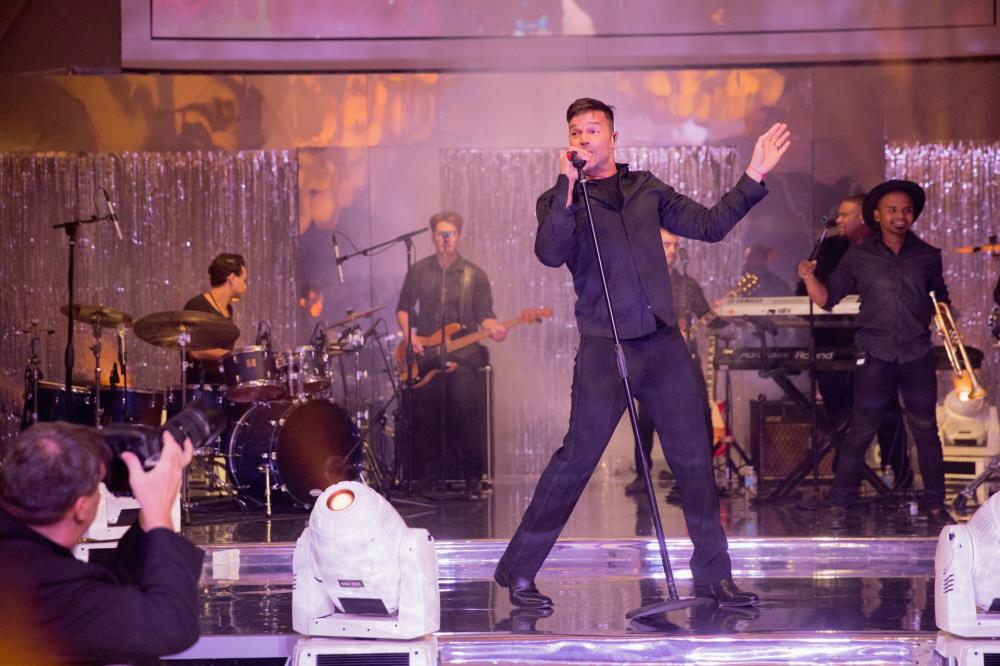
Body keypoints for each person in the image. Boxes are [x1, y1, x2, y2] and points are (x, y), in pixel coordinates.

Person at [494, 97, 790, 608]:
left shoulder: (647, 189)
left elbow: (710, 225)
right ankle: (518, 571)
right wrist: (568, 186)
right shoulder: (560, 199)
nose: (583, 138)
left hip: (661, 343)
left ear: (614, 137)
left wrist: (754, 173)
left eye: (593, 129)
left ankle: (714, 577)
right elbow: (549, 253)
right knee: (575, 460)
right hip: (604, 347)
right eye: (575, 131)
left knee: (693, 458)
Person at [798, 179, 954, 525]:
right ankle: (840, 503)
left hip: (916, 353)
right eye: (892, 210)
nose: (900, 216)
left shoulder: (928, 256)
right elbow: (827, 299)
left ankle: (935, 505)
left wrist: (945, 312)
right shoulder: (859, 256)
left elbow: (940, 297)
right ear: (878, 216)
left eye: (906, 210)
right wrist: (809, 278)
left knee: (926, 431)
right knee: (862, 429)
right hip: (875, 353)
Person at [0, 421, 203, 665]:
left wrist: (147, 517)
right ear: (81, 508)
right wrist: (158, 515)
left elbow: (100, 590)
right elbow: (172, 626)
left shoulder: (22, 553)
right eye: (97, 487)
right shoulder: (45, 586)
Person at [795, 195, 908, 487]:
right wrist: (810, 281)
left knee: (887, 414)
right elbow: (803, 295)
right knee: (840, 417)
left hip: (879, 347)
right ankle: (846, 483)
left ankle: (900, 478)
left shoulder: (885, 247)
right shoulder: (828, 247)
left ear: (865, 218)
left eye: (846, 215)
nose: (840, 220)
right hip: (832, 345)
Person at [396, 211, 507, 498]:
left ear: (459, 236)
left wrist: (494, 328)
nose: (446, 239)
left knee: (465, 403)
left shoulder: (474, 275)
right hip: (426, 352)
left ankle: (472, 476)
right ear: (433, 238)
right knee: (422, 410)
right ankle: (426, 476)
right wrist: (410, 337)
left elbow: (484, 314)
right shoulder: (418, 271)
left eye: (451, 234)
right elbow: (404, 308)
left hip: (463, 353)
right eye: (441, 234)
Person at [625, 229, 717, 496]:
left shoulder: (687, 285)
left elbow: (707, 316)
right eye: (667, 245)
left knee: (701, 415)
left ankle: (699, 476)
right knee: (646, 420)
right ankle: (642, 475)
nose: (673, 251)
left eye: (675, 246)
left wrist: (723, 313)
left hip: (686, 362)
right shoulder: (639, 282)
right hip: (652, 362)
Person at [183, 253, 248, 385]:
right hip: (202, 388)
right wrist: (232, 355)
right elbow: (195, 352)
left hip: (224, 385)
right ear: (232, 278)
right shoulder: (198, 305)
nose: (246, 286)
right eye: (244, 280)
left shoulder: (228, 309)